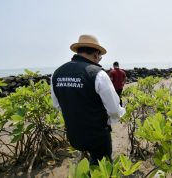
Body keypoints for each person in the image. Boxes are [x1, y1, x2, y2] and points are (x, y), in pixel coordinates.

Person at [50, 34, 125, 165]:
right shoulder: (98, 74)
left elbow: (57, 105)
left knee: (90, 161)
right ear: (96, 55)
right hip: (97, 136)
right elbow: (113, 110)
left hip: (74, 134)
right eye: (100, 57)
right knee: (102, 166)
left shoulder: (57, 73)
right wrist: (117, 114)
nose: (99, 60)